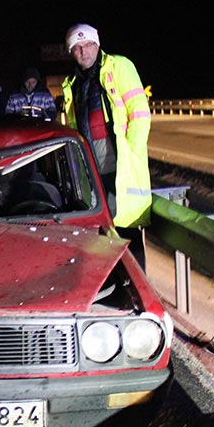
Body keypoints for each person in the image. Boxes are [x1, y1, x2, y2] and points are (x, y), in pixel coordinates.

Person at [60, 23, 152, 268]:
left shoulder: (119, 66)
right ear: (71, 52)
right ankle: (113, 283)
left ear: (98, 45)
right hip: (92, 166)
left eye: (88, 45)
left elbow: (140, 114)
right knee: (102, 232)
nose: (84, 52)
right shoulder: (72, 83)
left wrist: (130, 153)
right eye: (77, 48)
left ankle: (138, 287)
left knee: (126, 231)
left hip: (119, 161)